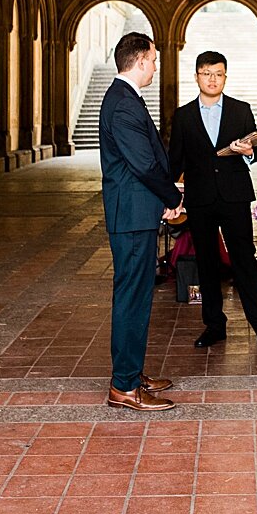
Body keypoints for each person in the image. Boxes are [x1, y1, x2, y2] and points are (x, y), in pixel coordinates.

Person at [168, 50, 257, 352]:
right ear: (196, 77)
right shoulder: (183, 116)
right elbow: (174, 161)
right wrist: (170, 198)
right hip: (200, 198)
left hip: (233, 195)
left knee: (245, 258)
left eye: (218, 74)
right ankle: (214, 325)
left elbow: (255, 150)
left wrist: (249, 153)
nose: (212, 79)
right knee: (206, 262)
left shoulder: (240, 109)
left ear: (225, 77)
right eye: (206, 73)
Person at [98, 32, 183, 411]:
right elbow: (143, 164)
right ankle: (124, 387)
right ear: (139, 61)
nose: (155, 66)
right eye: (152, 59)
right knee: (132, 298)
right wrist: (172, 196)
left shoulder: (125, 98)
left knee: (136, 296)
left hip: (135, 212)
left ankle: (131, 373)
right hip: (131, 216)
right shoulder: (123, 103)